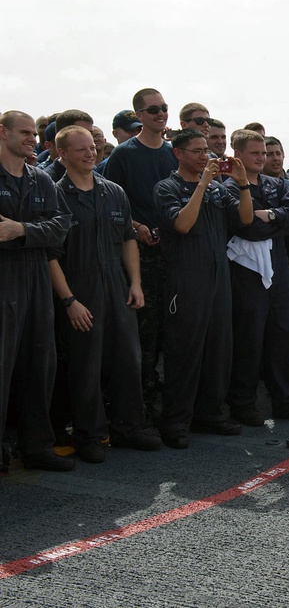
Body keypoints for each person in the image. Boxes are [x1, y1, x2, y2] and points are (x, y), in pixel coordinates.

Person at [49, 126, 160, 462]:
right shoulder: (55, 194)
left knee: (129, 359)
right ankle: (90, 435)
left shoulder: (113, 192)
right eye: (80, 149)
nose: (89, 153)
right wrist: (69, 301)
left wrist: (135, 283)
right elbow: (50, 255)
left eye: (92, 147)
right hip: (80, 288)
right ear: (62, 154)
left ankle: (129, 427)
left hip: (117, 286)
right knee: (86, 364)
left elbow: (128, 238)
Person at [154, 129, 254, 449]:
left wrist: (241, 182)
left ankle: (210, 413)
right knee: (185, 352)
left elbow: (246, 219)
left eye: (205, 150)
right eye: (196, 151)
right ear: (178, 154)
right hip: (186, 279)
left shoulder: (215, 189)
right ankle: (176, 421)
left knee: (218, 349)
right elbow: (182, 224)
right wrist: (200, 185)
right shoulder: (167, 187)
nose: (204, 156)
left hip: (217, 278)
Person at [223, 129, 289, 426]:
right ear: (238, 155)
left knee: (285, 334)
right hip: (246, 275)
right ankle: (243, 403)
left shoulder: (277, 184)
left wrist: (271, 216)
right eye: (255, 153)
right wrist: (276, 220)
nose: (262, 158)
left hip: (278, 271)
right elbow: (247, 227)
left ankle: (287, 400)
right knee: (249, 339)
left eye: (264, 152)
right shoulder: (226, 188)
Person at [0, 110, 73, 471]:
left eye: (34, 133)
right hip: (4, 279)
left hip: (36, 280)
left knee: (40, 363)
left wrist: (22, 231)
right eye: (25, 132)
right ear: (3, 133)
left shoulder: (40, 179)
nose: (32, 138)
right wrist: (30, 233)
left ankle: (37, 447)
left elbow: (61, 227)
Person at [103, 88, 177, 420]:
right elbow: (108, 201)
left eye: (164, 108)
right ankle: (142, 408)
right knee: (145, 334)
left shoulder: (174, 153)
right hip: (139, 255)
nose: (160, 114)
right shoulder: (124, 154)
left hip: (175, 253)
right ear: (139, 116)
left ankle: (168, 402)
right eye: (153, 111)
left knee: (171, 332)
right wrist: (135, 226)